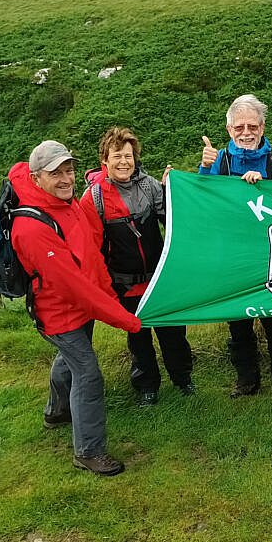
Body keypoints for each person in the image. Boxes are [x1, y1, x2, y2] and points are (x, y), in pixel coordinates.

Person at [10, 140, 142, 476]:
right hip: (57, 314)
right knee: (87, 373)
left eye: (69, 170)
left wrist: (109, 294)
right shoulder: (31, 228)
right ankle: (89, 451)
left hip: (79, 308)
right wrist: (124, 318)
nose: (67, 178)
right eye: (57, 173)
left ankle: (56, 411)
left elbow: (91, 256)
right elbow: (73, 287)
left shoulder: (68, 205)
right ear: (37, 177)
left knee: (68, 361)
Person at [79, 127, 194, 407]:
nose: (123, 162)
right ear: (104, 160)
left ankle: (183, 379)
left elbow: (172, 221)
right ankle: (147, 386)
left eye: (128, 156)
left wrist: (172, 191)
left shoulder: (150, 186)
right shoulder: (93, 199)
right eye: (117, 156)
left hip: (159, 279)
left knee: (173, 333)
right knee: (138, 339)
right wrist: (106, 290)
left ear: (135, 157)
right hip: (125, 283)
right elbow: (92, 251)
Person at [199, 94, 272, 397]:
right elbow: (204, 201)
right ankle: (246, 380)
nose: (246, 132)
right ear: (229, 130)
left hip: (271, 255)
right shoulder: (219, 161)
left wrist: (264, 191)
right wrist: (204, 170)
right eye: (239, 126)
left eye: (252, 125)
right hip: (232, 256)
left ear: (262, 126)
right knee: (239, 322)